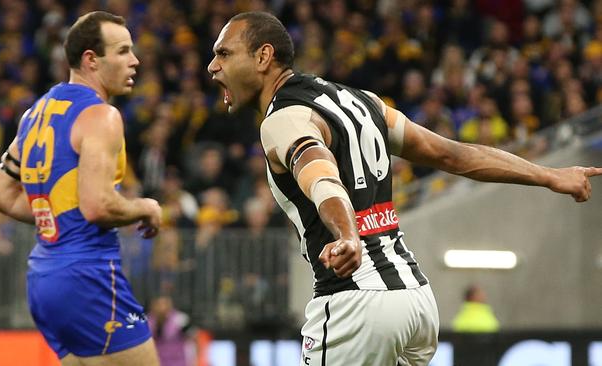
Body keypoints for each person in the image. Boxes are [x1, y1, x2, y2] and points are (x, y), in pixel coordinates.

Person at [206, 11, 602, 365]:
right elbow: (453, 155)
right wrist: (550, 175)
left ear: (263, 57)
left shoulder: (283, 119)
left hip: (354, 304)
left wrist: (347, 234)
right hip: (415, 300)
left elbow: (321, 176)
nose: (212, 66)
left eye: (224, 54)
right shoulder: (362, 102)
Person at [0, 11, 161, 366]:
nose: (135, 60)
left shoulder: (35, 113)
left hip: (43, 279)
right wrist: (146, 207)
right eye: (123, 51)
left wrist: (57, 221)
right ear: (91, 60)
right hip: (88, 276)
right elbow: (97, 206)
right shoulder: (101, 116)